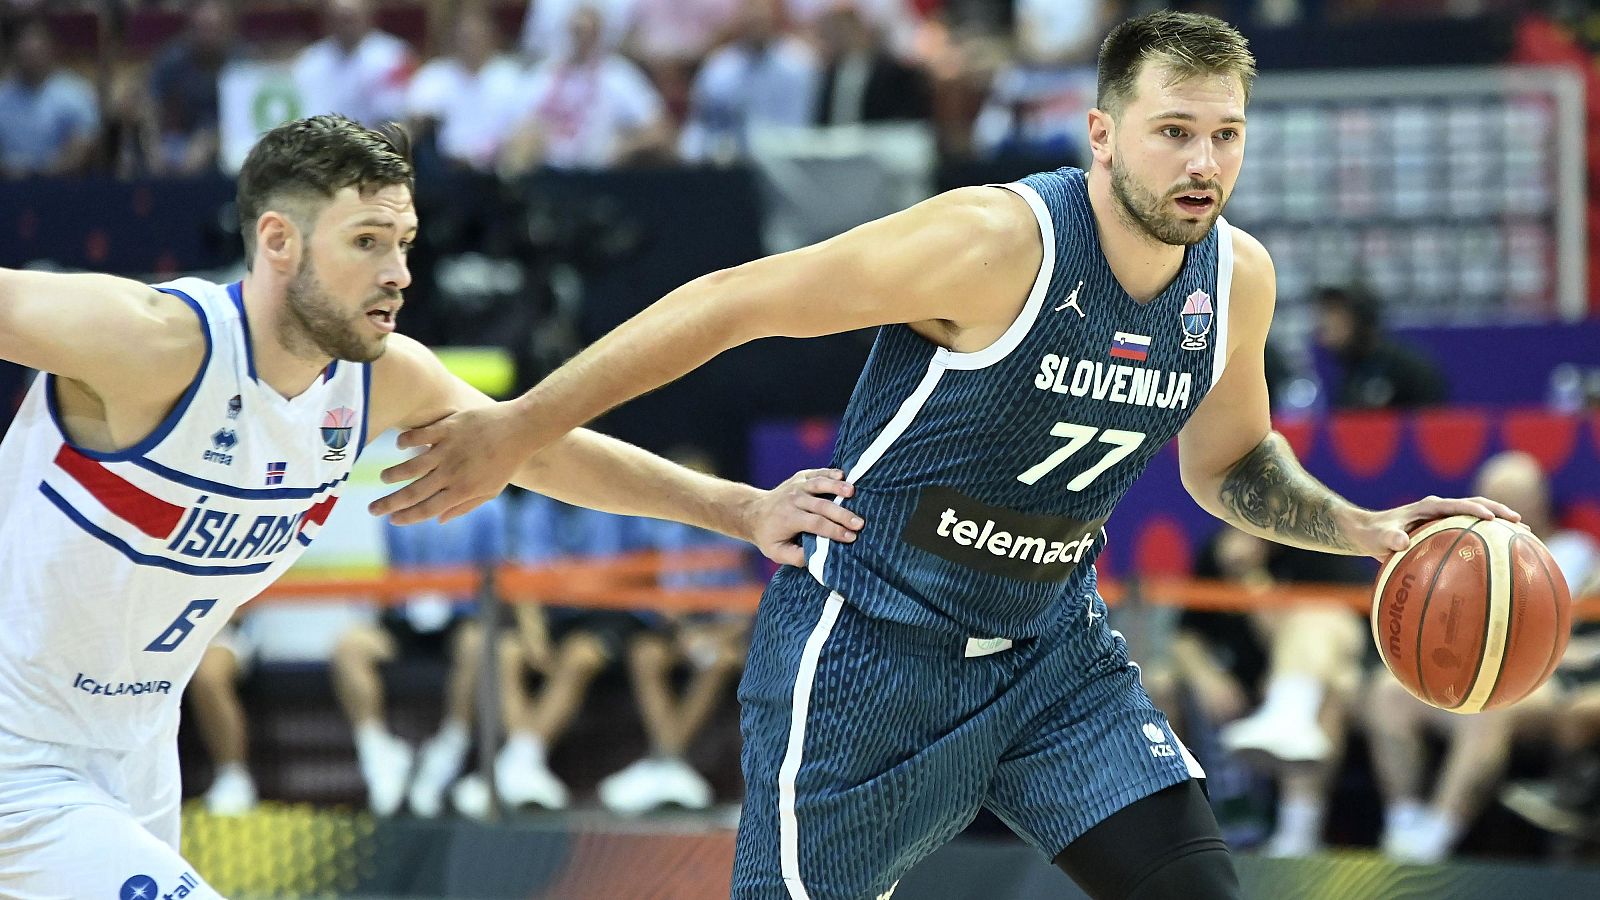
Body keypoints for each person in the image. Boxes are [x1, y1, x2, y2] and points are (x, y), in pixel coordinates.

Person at [372, 13, 1518, 899]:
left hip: (1052, 659)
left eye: (1225, 135)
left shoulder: (1236, 278)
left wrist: (1361, 528)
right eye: (1173, 130)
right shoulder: (992, 243)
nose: (1202, 162)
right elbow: (729, 303)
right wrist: (516, 426)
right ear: (1103, 134)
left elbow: (1228, 465)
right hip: (868, 651)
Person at [0, 113, 859, 898]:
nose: (399, 273)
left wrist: (744, 511)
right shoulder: (152, 342)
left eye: (405, 242)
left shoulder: (380, 380)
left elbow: (533, 447)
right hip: (17, 750)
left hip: (136, 746)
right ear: (278, 240)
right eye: (367, 242)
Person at [1366, 451, 1593, 862]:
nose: (1503, 508)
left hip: (1545, 679)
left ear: (1541, 501)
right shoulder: (1455, 548)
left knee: (1492, 703)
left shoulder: (1574, 552)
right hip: (1465, 667)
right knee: (1388, 691)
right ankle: (1402, 824)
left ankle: (1436, 837)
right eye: (1494, 497)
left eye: (1515, 497)